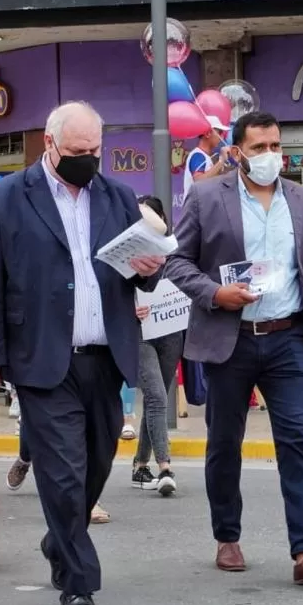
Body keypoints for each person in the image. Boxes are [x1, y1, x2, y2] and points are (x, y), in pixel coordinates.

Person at [0, 101, 164, 605]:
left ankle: (59, 540)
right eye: (79, 150)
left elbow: (140, 271)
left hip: (106, 357)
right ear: (51, 144)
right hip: (41, 359)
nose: (89, 158)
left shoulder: (119, 197)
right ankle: (79, 582)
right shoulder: (8, 197)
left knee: (97, 462)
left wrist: (149, 269)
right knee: (62, 472)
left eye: (97, 149)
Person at [165, 111, 303, 585]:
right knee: (224, 444)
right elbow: (176, 263)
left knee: (298, 443)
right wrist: (214, 294)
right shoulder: (205, 197)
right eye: (259, 148)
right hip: (230, 339)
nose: (269, 156)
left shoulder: (302, 199)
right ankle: (227, 536)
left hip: (289, 340)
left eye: (275, 146)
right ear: (237, 152)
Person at [130, 196, 182, 496]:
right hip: (139, 333)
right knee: (158, 398)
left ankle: (140, 465)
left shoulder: (175, 250)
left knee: (156, 401)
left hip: (170, 331)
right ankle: (164, 466)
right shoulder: (127, 253)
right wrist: (129, 308)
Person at [182, 115, 231, 198]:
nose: (222, 137)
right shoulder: (197, 155)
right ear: (208, 133)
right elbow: (199, 182)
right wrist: (221, 161)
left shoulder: (207, 157)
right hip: (196, 209)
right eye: (219, 133)